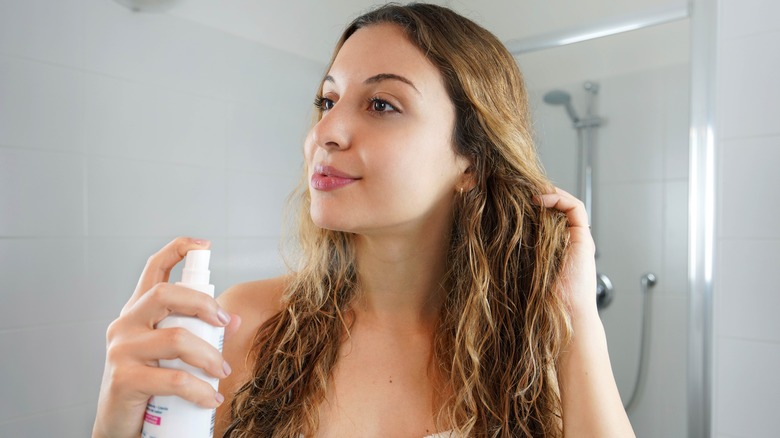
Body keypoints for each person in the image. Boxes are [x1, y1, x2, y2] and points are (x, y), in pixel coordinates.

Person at [93, 3, 635, 437]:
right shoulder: (246, 327)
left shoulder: (531, 355)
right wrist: (115, 418)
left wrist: (576, 319)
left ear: (471, 160)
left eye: (381, 104)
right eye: (327, 100)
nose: (326, 131)